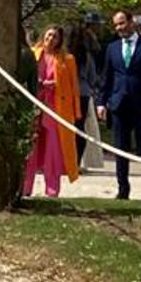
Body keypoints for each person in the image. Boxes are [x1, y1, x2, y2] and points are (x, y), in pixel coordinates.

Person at [98, 8, 141, 201]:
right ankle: (123, 189)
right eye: (116, 25)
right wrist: (101, 102)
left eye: (122, 23)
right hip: (120, 105)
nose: (119, 28)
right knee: (120, 149)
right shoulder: (112, 48)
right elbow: (106, 77)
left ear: (132, 22)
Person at [23, 26, 79, 198]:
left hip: (56, 108)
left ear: (59, 40)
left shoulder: (67, 59)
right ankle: (25, 187)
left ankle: (52, 189)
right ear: (43, 35)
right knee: (30, 148)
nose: (51, 39)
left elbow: (74, 87)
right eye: (49, 35)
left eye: (55, 36)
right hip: (34, 105)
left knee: (52, 150)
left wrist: (76, 111)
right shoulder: (32, 54)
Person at [66, 22, 102, 169]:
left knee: (66, 128)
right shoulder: (86, 57)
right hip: (83, 94)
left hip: (66, 93)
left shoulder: (65, 56)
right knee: (80, 128)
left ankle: (66, 161)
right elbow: (92, 78)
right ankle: (77, 162)